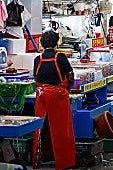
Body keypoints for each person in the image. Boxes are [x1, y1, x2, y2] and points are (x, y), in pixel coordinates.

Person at [32, 30, 76, 169]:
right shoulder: (60, 57)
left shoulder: (37, 59)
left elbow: (36, 77)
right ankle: (65, 162)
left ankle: (37, 159)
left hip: (41, 95)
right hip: (58, 95)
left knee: (40, 128)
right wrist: (68, 87)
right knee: (62, 130)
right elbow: (70, 75)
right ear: (56, 43)